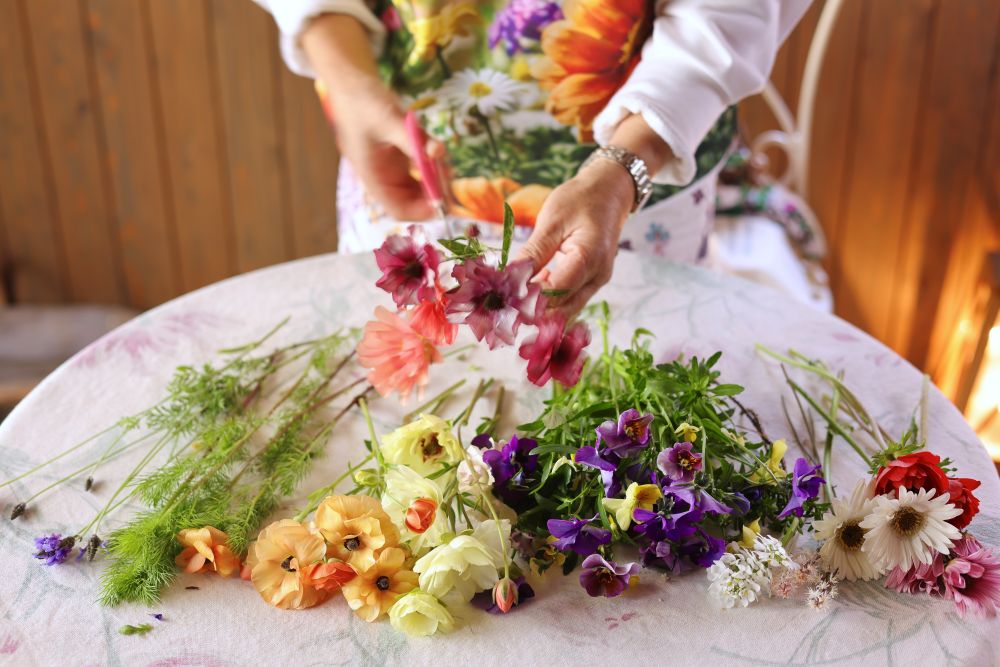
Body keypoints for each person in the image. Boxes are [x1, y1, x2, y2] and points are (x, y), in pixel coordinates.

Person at [254, 0, 811, 316]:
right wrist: (351, 88)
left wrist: (625, 167)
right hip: (401, 167)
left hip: (636, 190)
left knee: (632, 438)